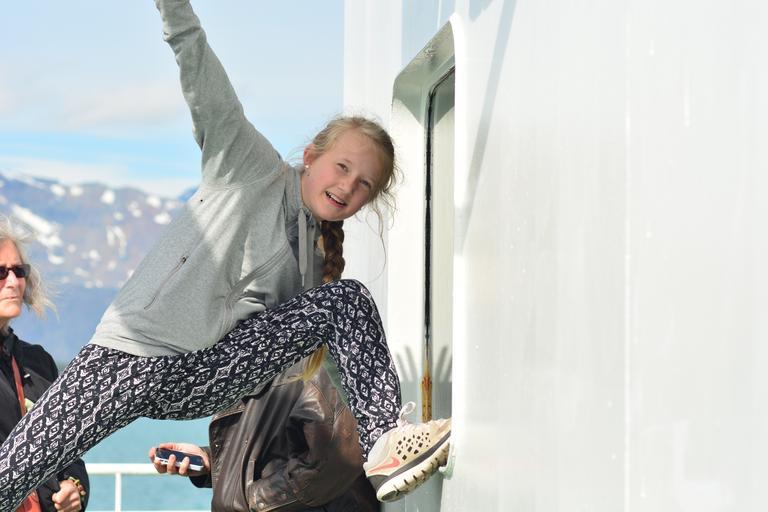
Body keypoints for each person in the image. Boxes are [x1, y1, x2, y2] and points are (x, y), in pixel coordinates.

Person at [0, 1, 451, 509]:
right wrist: (175, 10)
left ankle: (385, 443)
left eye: (365, 183)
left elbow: (275, 366)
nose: (348, 186)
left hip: (203, 375)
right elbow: (201, 75)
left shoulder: (314, 257)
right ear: (311, 157)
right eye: (342, 167)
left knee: (346, 302)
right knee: (11, 473)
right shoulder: (247, 164)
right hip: (129, 357)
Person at [148, 356, 380, 512]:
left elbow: (336, 460)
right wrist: (210, 461)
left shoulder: (311, 363)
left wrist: (254, 499)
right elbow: (266, 449)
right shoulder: (252, 366)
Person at [0, 221, 90, 512]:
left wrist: (75, 488)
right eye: (0, 272)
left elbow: (68, 450)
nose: (13, 282)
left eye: (19, 271)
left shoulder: (38, 361)